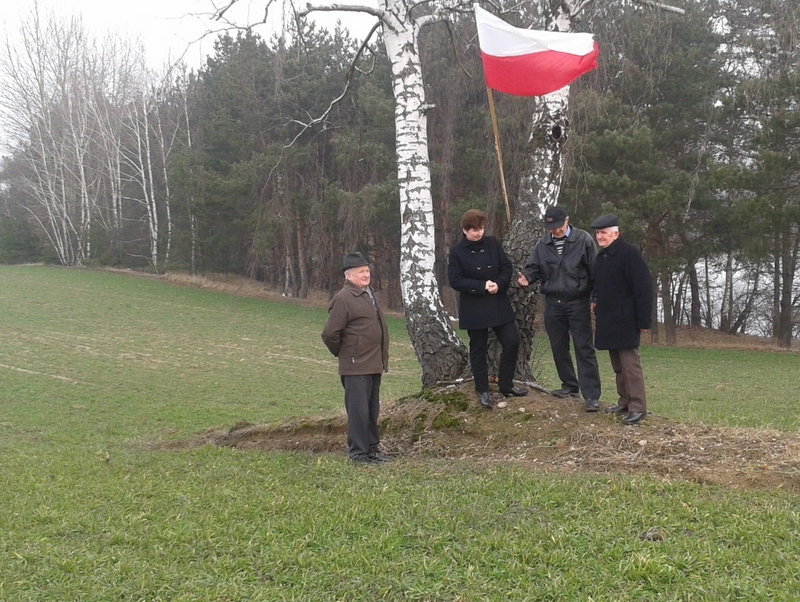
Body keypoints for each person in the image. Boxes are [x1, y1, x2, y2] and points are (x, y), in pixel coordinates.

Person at [517, 206, 602, 412]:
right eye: (551, 227)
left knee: (584, 348)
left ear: (567, 220)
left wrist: (596, 297)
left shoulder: (584, 240)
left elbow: (596, 271)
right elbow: (534, 267)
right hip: (553, 303)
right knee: (558, 347)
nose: (555, 231)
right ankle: (570, 385)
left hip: (578, 302)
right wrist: (527, 277)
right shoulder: (543, 244)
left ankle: (591, 395)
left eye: (558, 226)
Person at [448, 209, 528, 409]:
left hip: (498, 302)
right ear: (465, 230)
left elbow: (506, 267)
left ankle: (506, 385)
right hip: (474, 306)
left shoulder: (492, 243)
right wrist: (481, 286)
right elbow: (455, 280)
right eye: (474, 229)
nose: (479, 233)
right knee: (478, 348)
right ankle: (482, 389)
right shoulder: (457, 252)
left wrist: (499, 284)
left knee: (511, 342)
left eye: (481, 228)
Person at [321, 252, 392, 463]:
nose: (366, 275)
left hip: (373, 363)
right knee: (358, 411)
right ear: (349, 275)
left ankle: (372, 449)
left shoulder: (369, 293)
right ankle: (358, 453)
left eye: (367, 271)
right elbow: (329, 334)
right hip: (355, 366)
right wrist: (345, 353)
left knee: (371, 410)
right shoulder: (343, 298)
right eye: (361, 272)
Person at [589, 214, 653, 425]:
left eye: (604, 233)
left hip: (626, 320)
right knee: (618, 366)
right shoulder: (602, 257)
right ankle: (624, 401)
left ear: (616, 233)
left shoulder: (629, 254)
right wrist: (594, 300)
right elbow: (598, 285)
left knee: (630, 366)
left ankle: (638, 407)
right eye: (598, 233)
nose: (600, 236)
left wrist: (644, 321)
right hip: (608, 320)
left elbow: (643, 289)